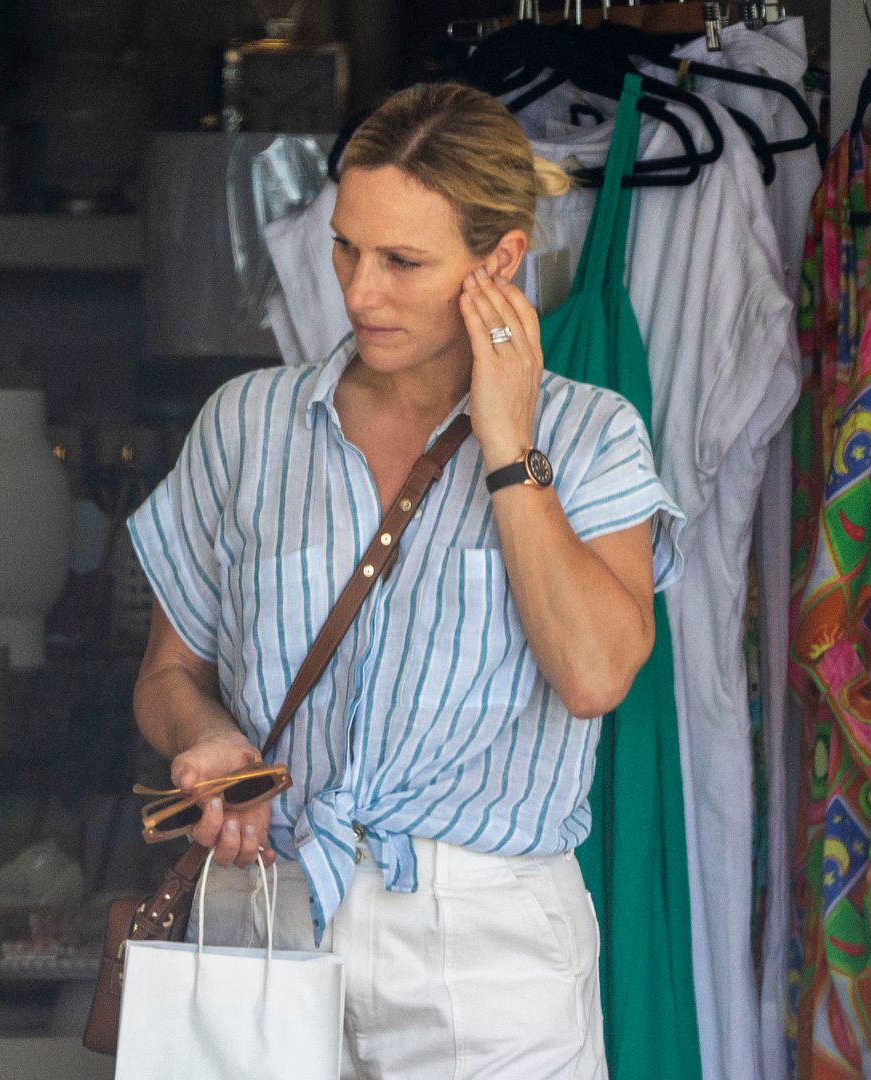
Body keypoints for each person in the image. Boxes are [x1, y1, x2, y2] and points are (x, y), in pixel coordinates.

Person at [125, 81, 685, 1078]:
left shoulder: (592, 437)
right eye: (346, 246)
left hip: (490, 945)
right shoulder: (248, 424)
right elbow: (169, 674)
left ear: (500, 260)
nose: (357, 292)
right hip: (266, 909)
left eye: (402, 261)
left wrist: (509, 445)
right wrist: (208, 738)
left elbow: (595, 673)